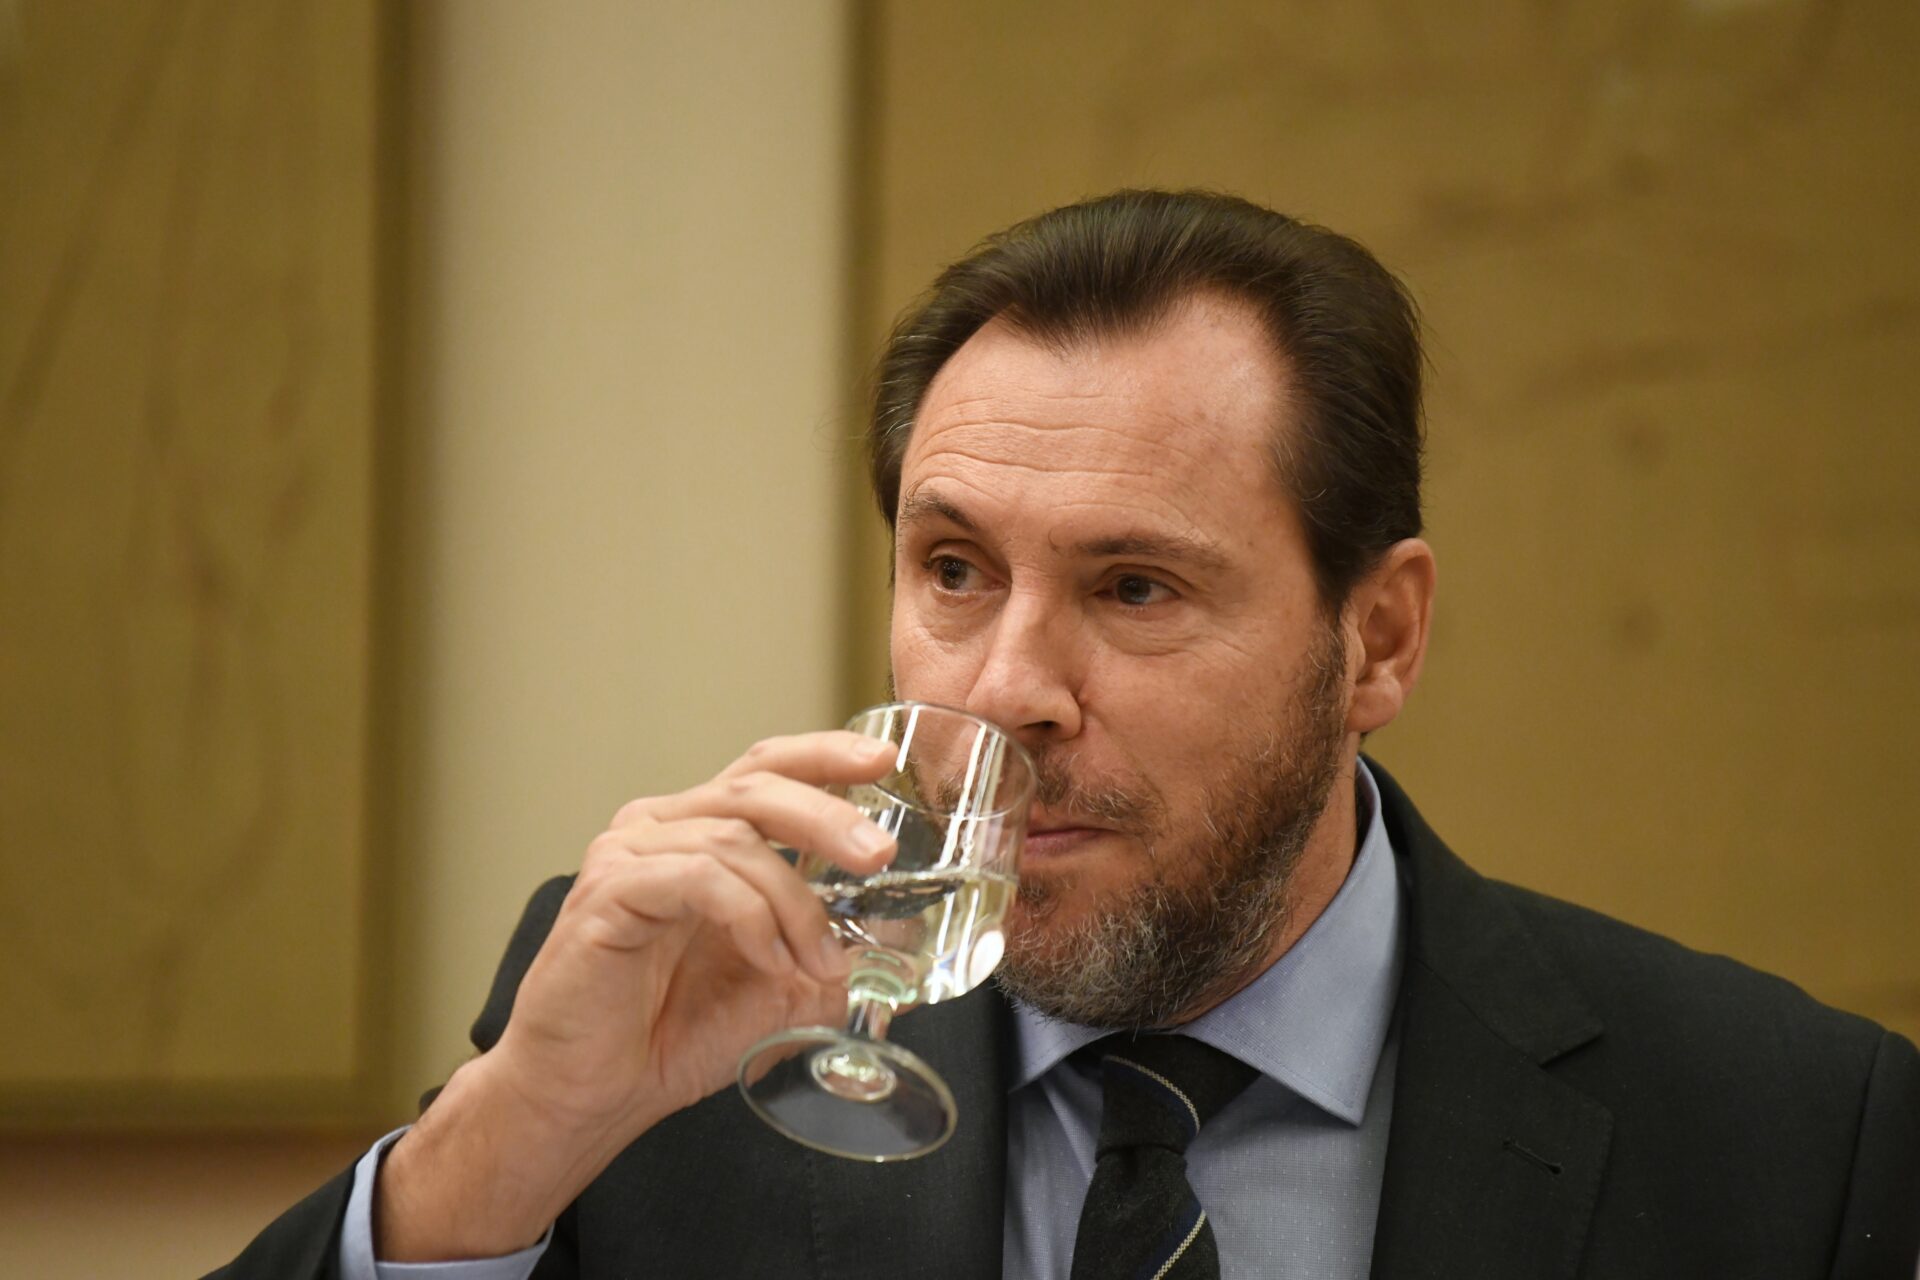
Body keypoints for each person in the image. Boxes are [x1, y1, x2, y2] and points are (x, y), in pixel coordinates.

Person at [213, 190, 1920, 1280]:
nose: (1006, 685)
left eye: (1135, 586)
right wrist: (500, 1148)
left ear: (1379, 639)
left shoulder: (1789, 1133)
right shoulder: (660, 1048)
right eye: (955, 570)